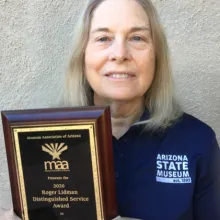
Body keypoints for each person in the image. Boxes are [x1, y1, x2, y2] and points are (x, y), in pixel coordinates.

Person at [1, 0, 220, 219]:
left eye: (137, 38)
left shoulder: (197, 140)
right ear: (83, 56)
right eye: (103, 38)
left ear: (156, 56)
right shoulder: (38, 139)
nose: (120, 53)